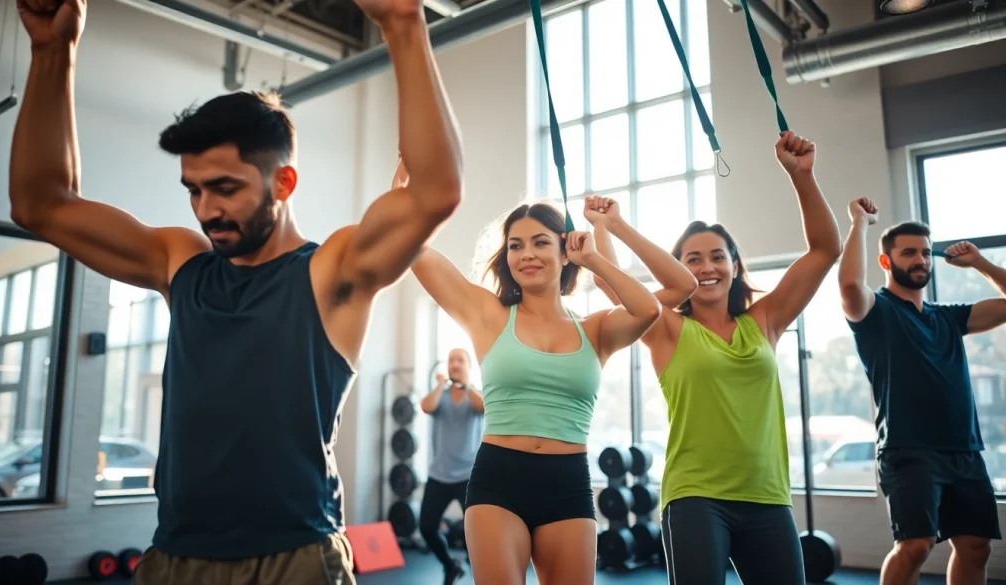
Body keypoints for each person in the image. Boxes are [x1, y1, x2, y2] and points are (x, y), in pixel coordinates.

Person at [10, 0, 463, 583]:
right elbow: (41, 204)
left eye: (224, 188)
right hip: (175, 556)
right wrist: (52, 52)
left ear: (284, 181)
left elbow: (435, 193)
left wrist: (402, 22)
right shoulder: (182, 263)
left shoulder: (331, 273)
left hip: (294, 558)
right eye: (194, 190)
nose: (206, 210)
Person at [593, 131, 842, 585]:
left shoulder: (765, 321)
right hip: (695, 496)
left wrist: (802, 176)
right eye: (691, 260)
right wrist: (607, 228)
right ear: (678, 270)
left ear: (734, 265)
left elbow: (826, 250)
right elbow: (616, 292)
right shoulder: (667, 328)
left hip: (767, 495)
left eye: (716, 257)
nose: (705, 268)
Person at [402, 175, 664, 584]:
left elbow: (648, 310)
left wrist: (594, 259)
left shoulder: (594, 330)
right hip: (498, 481)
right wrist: (405, 191)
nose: (527, 254)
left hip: (568, 485)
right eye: (515, 245)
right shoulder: (489, 315)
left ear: (565, 249)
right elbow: (413, 249)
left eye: (541, 242)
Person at [838, 198, 1003, 585]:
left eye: (926, 253)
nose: (921, 260)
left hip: (964, 448)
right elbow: (848, 284)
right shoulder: (874, 312)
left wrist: (979, 262)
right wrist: (859, 223)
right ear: (886, 262)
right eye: (909, 252)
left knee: (976, 545)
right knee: (916, 545)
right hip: (907, 449)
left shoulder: (948, 317)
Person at [418, 348, 484, 585]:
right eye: (451, 360)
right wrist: (439, 385)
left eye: (460, 360)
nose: (455, 364)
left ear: (468, 366)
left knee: (477, 534)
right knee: (426, 527)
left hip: (469, 477)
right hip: (439, 475)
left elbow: (483, 407)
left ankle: (481, 576)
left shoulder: (475, 394)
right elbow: (426, 406)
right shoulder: (440, 396)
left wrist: (466, 386)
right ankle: (450, 565)